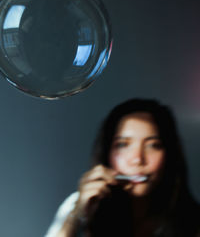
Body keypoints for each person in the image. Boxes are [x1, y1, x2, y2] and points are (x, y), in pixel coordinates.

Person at [45, 99, 200, 237]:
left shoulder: (193, 220)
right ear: (107, 152)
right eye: (123, 145)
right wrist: (77, 214)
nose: (138, 159)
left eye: (153, 145)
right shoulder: (76, 206)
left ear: (169, 154)